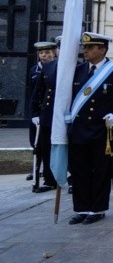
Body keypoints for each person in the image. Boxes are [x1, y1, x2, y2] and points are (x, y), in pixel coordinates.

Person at [67, 32, 113, 225]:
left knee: (100, 170)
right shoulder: (78, 70)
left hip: (103, 131)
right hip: (79, 129)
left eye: (90, 48)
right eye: (85, 48)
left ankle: (97, 209)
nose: (86, 51)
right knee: (79, 170)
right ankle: (82, 208)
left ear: (102, 49)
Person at [29, 41, 58, 192]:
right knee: (43, 147)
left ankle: (72, 179)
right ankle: (48, 179)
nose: (45, 55)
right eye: (42, 53)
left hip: (63, 114)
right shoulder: (41, 69)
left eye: (48, 52)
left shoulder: (77, 67)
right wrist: (34, 113)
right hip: (45, 113)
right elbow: (36, 93)